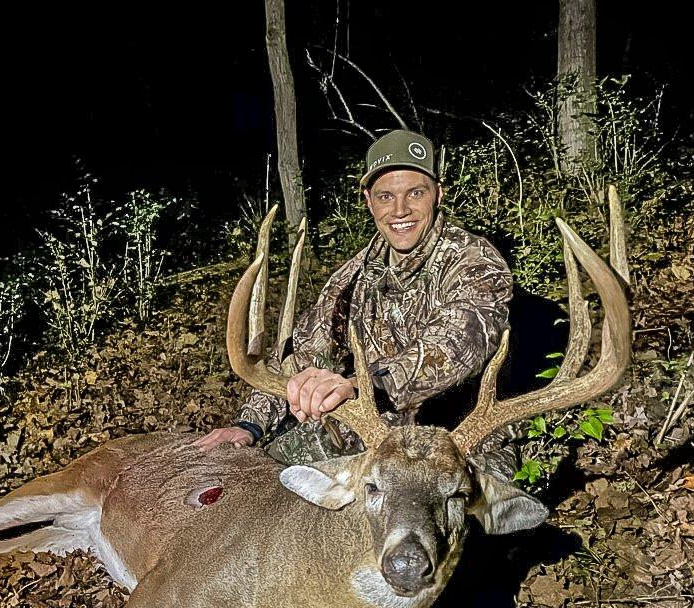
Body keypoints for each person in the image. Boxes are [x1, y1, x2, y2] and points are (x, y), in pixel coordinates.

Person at [190, 128, 518, 481]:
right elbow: (302, 354)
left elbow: (457, 343)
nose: (400, 210)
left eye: (415, 193)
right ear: (368, 200)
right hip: (377, 433)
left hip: (457, 443)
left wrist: (363, 383)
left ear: (437, 194)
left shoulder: (475, 261)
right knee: (264, 477)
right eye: (385, 196)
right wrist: (248, 425)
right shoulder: (354, 274)